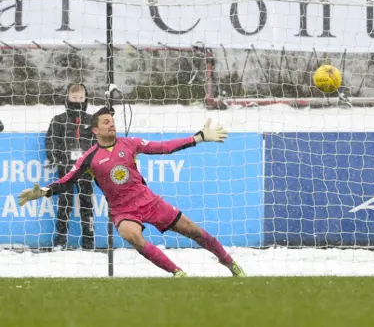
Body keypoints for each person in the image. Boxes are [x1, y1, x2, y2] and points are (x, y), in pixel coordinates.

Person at [20, 107, 246, 277]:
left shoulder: (130, 143)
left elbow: (164, 147)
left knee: (194, 231)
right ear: (95, 130)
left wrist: (198, 137)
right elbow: (68, 181)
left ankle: (229, 263)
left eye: (113, 121)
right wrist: (45, 191)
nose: (112, 124)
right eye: (106, 122)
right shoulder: (89, 157)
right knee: (132, 236)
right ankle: (178, 274)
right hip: (123, 210)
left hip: (150, 202)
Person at [45, 83, 96, 250]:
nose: (77, 101)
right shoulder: (59, 119)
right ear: (67, 98)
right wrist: (57, 158)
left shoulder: (92, 120)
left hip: (86, 170)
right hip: (66, 169)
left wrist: (93, 161)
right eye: (74, 98)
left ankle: (89, 242)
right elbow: (51, 140)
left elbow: (99, 143)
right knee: (64, 204)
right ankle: (60, 241)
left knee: (87, 205)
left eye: (81, 98)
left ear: (86, 99)